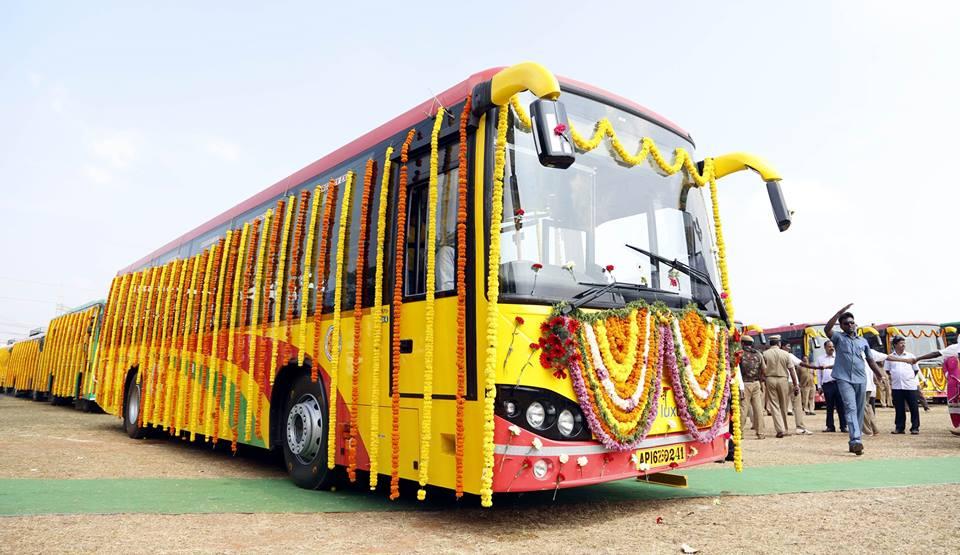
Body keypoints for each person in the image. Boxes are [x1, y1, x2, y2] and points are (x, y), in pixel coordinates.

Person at [823, 304, 887, 456]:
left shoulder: (863, 341)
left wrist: (880, 375)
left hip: (861, 378)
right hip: (843, 378)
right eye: (846, 323)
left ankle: (854, 441)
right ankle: (856, 440)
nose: (850, 325)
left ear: (855, 324)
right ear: (842, 326)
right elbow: (827, 329)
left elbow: (871, 360)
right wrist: (839, 313)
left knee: (859, 410)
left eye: (852, 322)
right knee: (850, 408)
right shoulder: (838, 337)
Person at [762, 335, 806, 437]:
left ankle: (779, 429)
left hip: (770, 379)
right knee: (784, 405)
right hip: (783, 379)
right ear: (779, 344)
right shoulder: (786, 354)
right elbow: (791, 370)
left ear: (770, 343)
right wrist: (796, 384)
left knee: (774, 404)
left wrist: (763, 379)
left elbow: (762, 370)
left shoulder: (765, 354)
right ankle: (785, 429)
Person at [882, 336, 922, 434]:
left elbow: (916, 370)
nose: (903, 345)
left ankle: (915, 427)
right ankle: (899, 427)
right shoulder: (890, 357)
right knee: (899, 408)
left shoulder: (910, 356)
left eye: (904, 343)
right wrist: (895, 377)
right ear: (895, 345)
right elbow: (887, 370)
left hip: (910, 386)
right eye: (901, 343)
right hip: (897, 386)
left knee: (914, 407)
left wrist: (908, 378)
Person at [779, 344, 814, 431]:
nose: (789, 348)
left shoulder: (773, 355)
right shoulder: (789, 355)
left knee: (782, 406)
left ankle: (783, 428)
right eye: (788, 346)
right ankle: (800, 427)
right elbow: (800, 364)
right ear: (782, 346)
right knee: (797, 405)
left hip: (781, 382)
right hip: (791, 382)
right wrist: (817, 367)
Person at [815, 340, 847, 432]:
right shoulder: (820, 359)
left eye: (832, 346)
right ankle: (830, 426)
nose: (831, 348)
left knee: (841, 406)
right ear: (825, 348)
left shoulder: (838, 357)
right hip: (827, 385)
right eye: (829, 346)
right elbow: (818, 374)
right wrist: (819, 386)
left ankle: (843, 426)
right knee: (829, 407)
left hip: (839, 384)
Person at [738, 335, 766, 439]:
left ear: (742, 343)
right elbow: (764, 369)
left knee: (743, 408)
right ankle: (761, 433)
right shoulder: (758, 354)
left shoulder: (740, 354)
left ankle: (740, 433)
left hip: (744, 384)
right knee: (758, 408)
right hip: (756, 383)